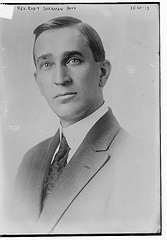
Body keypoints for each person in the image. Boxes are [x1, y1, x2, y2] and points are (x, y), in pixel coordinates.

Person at [12, 16, 159, 234]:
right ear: (38, 82)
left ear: (102, 73)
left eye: (73, 60)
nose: (60, 78)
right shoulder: (30, 160)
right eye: (47, 64)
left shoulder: (140, 161)